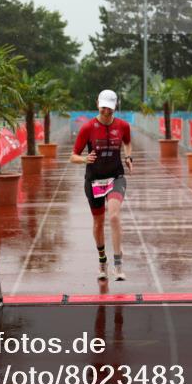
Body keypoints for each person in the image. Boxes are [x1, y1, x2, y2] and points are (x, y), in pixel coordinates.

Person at [70, 89, 133, 281]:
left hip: (116, 177)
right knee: (98, 222)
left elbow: (127, 142)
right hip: (94, 180)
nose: (106, 112)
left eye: (110, 109)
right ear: (98, 103)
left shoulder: (123, 125)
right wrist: (84, 159)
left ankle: (118, 265)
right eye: (104, 107)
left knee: (113, 215)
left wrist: (128, 156)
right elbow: (73, 157)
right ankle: (102, 260)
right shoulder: (88, 128)